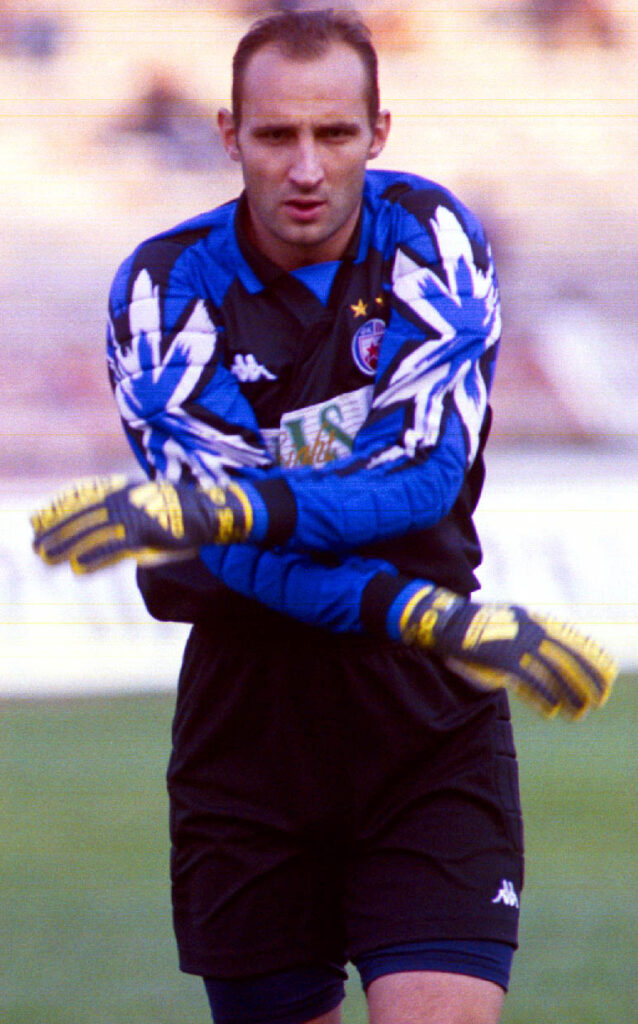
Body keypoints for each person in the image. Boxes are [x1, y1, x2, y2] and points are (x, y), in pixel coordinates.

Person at [30, 9, 615, 1024]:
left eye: (333, 134)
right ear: (227, 136)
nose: (305, 165)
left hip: (424, 725)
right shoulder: (164, 292)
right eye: (275, 135)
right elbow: (232, 560)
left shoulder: (428, 243)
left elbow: (421, 478)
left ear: (377, 132)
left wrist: (244, 502)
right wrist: (423, 613)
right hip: (251, 732)